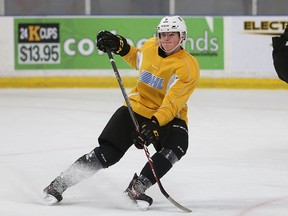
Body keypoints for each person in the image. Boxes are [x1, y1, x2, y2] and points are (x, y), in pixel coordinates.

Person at [43, 15, 200, 210]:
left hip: (167, 118)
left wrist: (153, 126)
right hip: (135, 108)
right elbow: (137, 58)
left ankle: (137, 187)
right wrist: (119, 45)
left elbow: (171, 104)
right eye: (163, 34)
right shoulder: (151, 45)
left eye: (172, 35)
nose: (166, 38)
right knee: (108, 153)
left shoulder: (187, 66)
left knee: (177, 145)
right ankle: (59, 184)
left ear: (182, 37)